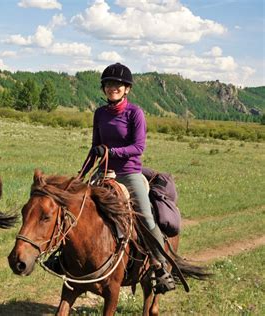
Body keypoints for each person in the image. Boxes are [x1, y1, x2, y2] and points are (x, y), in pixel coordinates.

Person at [79, 63, 175, 294]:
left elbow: (138, 147)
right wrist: (80, 176)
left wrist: (112, 152)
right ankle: (67, 258)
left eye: (118, 84)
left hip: (129, 173)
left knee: (145, 216)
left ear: (127, 89)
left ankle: (159, 266)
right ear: (104, 88)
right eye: (109, 84)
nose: (113, 87)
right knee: (79, 209)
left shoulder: (135, 113)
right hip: (103, 172)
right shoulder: (100, 113)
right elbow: (95, 148)